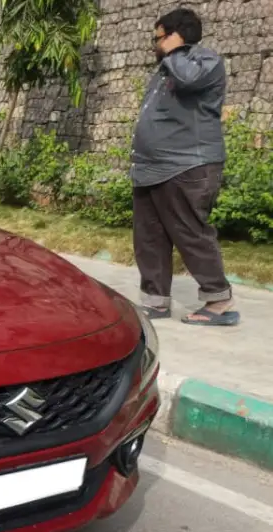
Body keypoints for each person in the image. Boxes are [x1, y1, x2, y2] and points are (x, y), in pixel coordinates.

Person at [131, 7, 238, 326]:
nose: (156, 45)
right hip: (152, 167)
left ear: (175, 36)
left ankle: (219, 301)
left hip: (187, 165)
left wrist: (174, 49)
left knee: (190, 233)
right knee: (149, 237)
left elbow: (189, 79)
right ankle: (156, 302)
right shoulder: (167, 68)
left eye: (159, 38)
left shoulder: (203, 61)